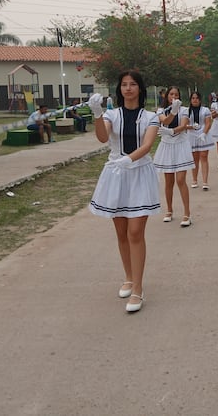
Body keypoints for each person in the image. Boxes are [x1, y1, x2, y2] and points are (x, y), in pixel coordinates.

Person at [87, 71, 160, 313]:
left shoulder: (151, 117)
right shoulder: (111, 115)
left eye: (133, 84)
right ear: (119, 89)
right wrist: (97, 114)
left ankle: (138, 289)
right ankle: (128, 277)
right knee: (120, 232)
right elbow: (102, 137)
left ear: (140, 88)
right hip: (116, 175)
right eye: (124, 85)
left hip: (139, 172)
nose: (128, 88)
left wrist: (129, 160)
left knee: (136, 231)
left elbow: (148, 145)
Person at [153, 86, 194, 227]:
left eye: (176, 94)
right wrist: (172, 112)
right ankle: (169, 210)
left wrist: (171, 131)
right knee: (168, 181)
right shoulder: (161, 110)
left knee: (181, 180)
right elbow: (165, 121)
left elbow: (183, 126)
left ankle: (187, 213)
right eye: (171, 94)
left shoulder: (185, 110)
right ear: (167, 96)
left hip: (180, 145)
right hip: (167, 146)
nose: (174, 97)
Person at [187, 91, 213, 190]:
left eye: (197, 98)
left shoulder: (205, 110)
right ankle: (194, 179)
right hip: (192, 134)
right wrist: (191, 126)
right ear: (190, 100)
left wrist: (204, 133)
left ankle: (205, 181)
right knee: (194, 158)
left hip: (203, 133)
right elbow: (184, 124)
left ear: (200, 99)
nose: (195, 100)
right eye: (193, 98)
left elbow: (208, 123)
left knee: (204, 156)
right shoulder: (187, 111)